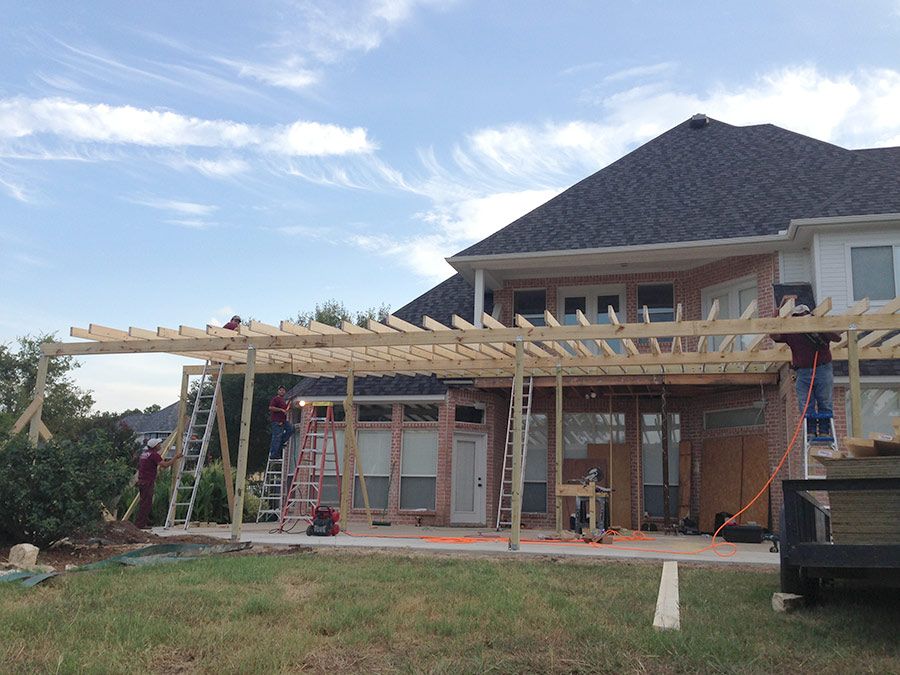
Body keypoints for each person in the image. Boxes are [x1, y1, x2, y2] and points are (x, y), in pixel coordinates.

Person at [770, 304, 841, 437]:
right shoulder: (792, 332)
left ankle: (824, 431)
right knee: (805, 403)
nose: (801, 319)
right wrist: (775, 318)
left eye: (803, 316)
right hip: (802, 372)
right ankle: (811, 431)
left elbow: (837, 337)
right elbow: (774, 336)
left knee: (824, 401)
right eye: (798, 316)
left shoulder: (818, 327)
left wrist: (819, 326)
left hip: (822, 369)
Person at [135, 438, 183, 529]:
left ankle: (144, 522)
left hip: (142, 481)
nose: (160, 445)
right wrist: (175, 457)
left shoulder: (144, 454)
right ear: (155, 446)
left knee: (144, 502)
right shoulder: (154, 455)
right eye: (159, 444)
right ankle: (140, 524)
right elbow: (165, 465)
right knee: (146, 503)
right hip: (147, 482)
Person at [268, 385, 294, 459]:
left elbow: (286, 409)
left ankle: (280, 444)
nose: (282, 391)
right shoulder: (275, 399)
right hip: (276, 421)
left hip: (283, 420)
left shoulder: (283, 400)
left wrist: (289, 405)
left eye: (283, 390)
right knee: (277, 436)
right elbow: (271, 407)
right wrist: (281, 410)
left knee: (291, 429)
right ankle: (274, 454)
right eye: (280, 390)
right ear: (278, 391)